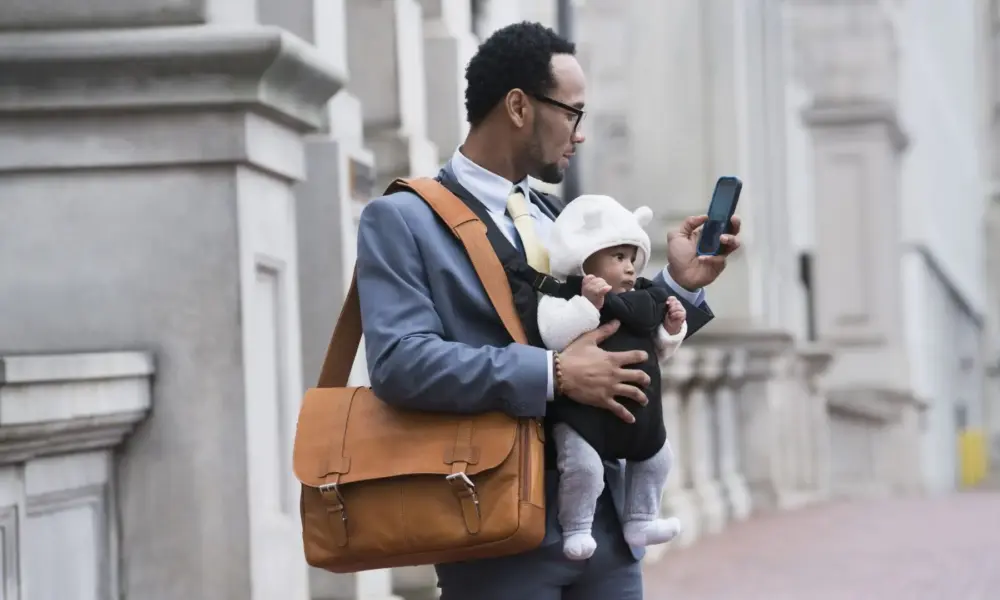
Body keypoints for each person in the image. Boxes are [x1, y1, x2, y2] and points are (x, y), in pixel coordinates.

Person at [356, 20, 741, 600]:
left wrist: (679, 285)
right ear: (518, 106)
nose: (579, 134)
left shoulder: (564, 217)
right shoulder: (404, 219)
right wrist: (554, 376)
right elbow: (400, 363)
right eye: (573, 112)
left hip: (607, 528)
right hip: (491, 529)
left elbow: (610, 319)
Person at [534, 195, 686, 562]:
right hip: (583, 416)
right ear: (585, 259)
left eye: (632, 259)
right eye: (618, 258)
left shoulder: (642, 300)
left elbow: (658, 349)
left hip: (639, 415)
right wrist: (588, 305)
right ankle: (576, 527)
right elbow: (553, 335)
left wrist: (672, 328)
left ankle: (641, 518)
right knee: (583, 468)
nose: (630, 269)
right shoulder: (564, 295)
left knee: (658, 460)